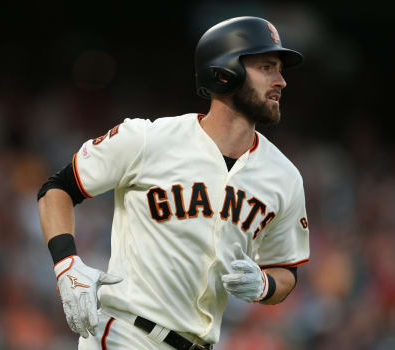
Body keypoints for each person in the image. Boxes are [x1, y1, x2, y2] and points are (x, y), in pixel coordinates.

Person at [37, 16, 310, 350]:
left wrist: (265, 285)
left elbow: (286, 270)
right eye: (267, 67)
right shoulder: (149, 139)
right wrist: (67, 265)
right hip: (127, 335)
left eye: (279, 69)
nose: (281, 80)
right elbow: (58, 188)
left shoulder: (284, 177)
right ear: (224, 72)